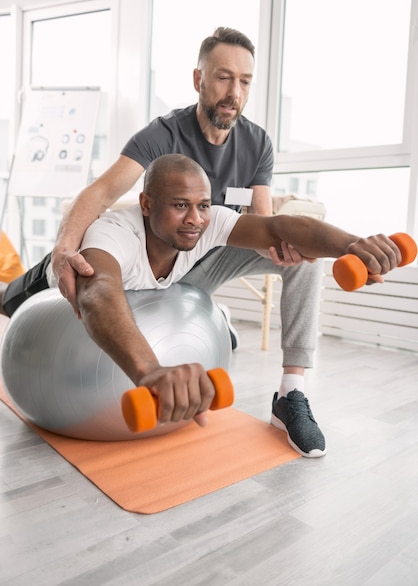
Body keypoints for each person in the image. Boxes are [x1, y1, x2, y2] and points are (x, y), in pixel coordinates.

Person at [1, 28, 326, 456]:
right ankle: (15, 290)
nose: (234, 92)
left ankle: (290, 393)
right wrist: (64, 249)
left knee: (308, 258)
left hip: (207, 257)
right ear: (198, 79)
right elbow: (100, 193)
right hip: (152, 256)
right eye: (223, 77)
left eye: (245, 81)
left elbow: (263, 221)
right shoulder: (162, 134)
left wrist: (286, 245)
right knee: (17, 299)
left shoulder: (257, 141)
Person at [1, 155, 402, 450]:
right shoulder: (113, 235)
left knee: (299, 254)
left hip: (148, 292)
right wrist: (150, 372)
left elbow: (280, 226)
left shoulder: (208, 225)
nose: (195, 219)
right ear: (146, 205)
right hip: (43, 285)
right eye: (180, 206)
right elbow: (98, 290)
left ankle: (286, 388)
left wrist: (353, 244)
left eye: (203, 206)